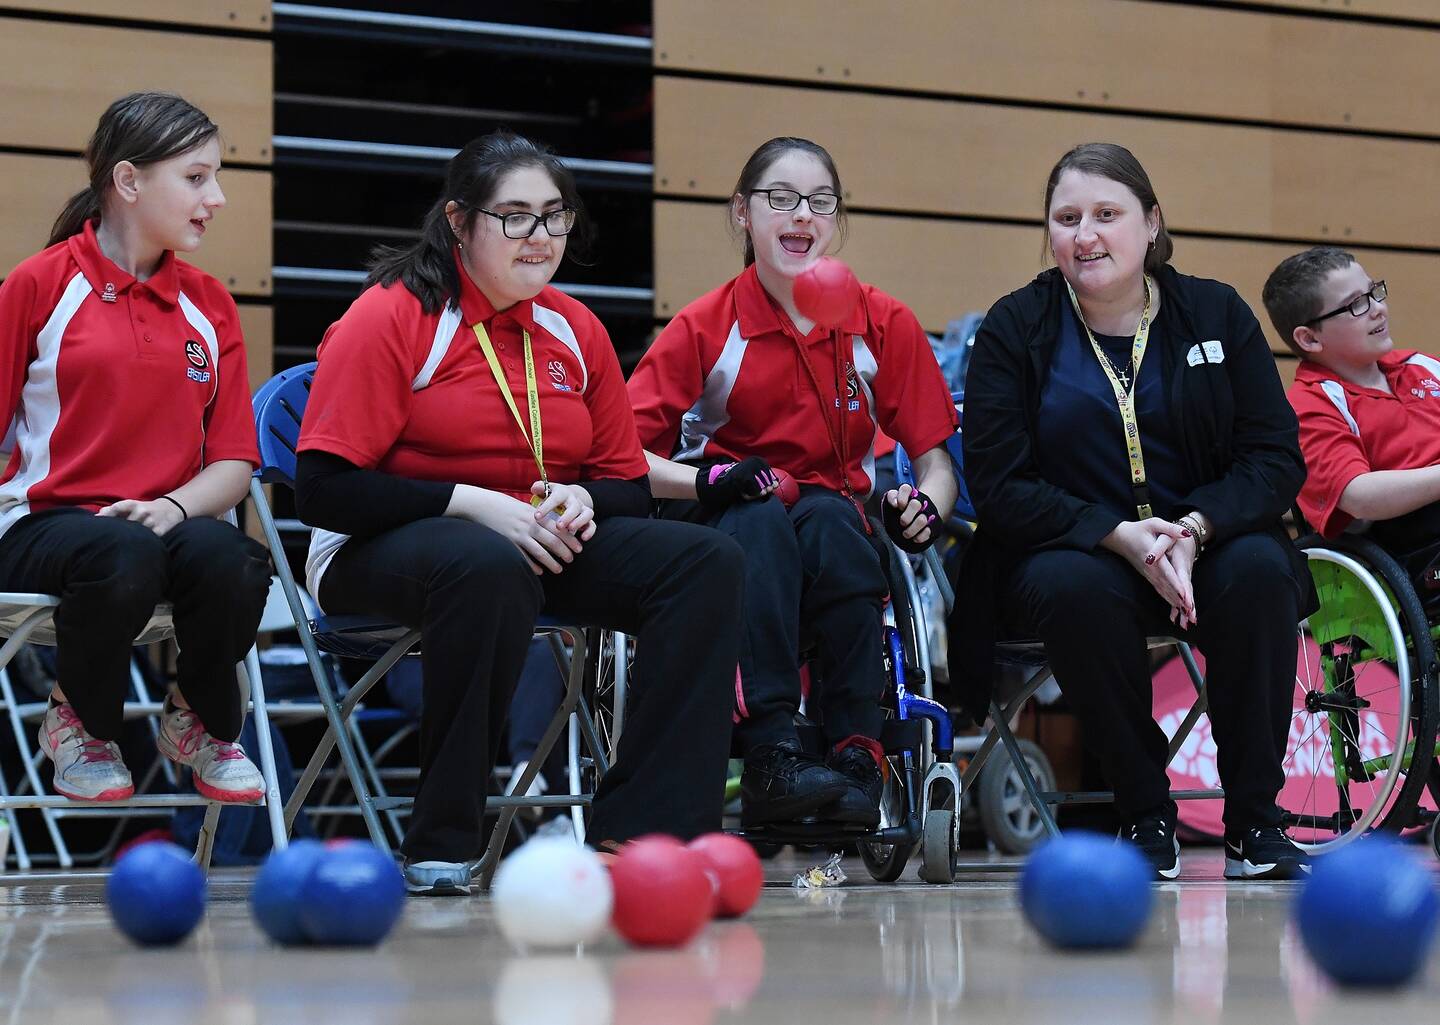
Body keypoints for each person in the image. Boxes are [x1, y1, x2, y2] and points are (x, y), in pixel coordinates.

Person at [293, 130, 743, 895]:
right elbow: (323, 488)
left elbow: (629, 484)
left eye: (554, 216)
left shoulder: (576, 328)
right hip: (380, 550)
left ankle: (642, 831)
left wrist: (584, 495)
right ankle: (443, 839)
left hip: (531, 545)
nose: (540, 237)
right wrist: (472, 505)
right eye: (515, 217)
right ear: (459, 222)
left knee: (706, 562)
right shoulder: (392, 316)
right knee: (485, 562)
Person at [948, 142, 1317, 880]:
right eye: (1067, 217)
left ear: (1151, 224)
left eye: (1106, 214)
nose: (1085, 234)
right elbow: (999, 482)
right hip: (1074, 551)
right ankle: (1145, 810)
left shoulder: (1214, 310)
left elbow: (1276, 458)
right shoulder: (1014, 329)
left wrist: (1194, 528)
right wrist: (1117, 535)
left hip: (1204, 545)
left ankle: (1255, 822)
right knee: (1071, 587)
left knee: (1259, 569)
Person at [628, 137, 958, 829]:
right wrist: (710, 479)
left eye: (819, 201)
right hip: (721, 514)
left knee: (839, 523)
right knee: (758, 520)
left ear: (835, 219)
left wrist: (924, 505)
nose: (801, 215)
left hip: (827, 521)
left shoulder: (883, 323)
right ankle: (772, 748)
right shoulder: (706, 325)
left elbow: (935, 461)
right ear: (744, 213)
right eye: (780, 198)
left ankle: (855, 750)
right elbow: (623, 455)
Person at [0, 93, 271, 805]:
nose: (214, 198)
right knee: (121, 551)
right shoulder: (40, 285)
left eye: (216, 177)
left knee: (236, 559)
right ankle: (79, 721)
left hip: (165, 525)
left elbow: (234, 463)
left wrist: (173, 507)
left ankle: (198, 720)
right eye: (195, 177)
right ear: (127, 181)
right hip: (42, 525)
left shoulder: (210, 305)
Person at [1262, 247, 1440, 551]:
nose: (1378, 309)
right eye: (1356, 304)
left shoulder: (1420, 365)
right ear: (1310, 338)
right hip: (1413, 545)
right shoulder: (1310, 405)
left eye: (1373, 292)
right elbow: (1359, 497)